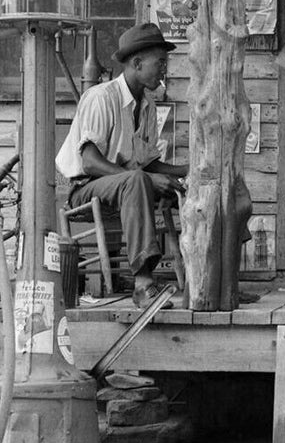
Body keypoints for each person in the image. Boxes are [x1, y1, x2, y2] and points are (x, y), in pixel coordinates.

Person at [56, 23, 189, 307]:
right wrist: (147, 179)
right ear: (137, 63)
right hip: (86, 188)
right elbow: (90, 163)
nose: (164, 69)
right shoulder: (102, 97)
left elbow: (149, 164)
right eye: (160, 63)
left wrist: (190, 171)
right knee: (138, 180)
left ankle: (217, 279)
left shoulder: (148, 105)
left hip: (127, 186)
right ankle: (143, 285)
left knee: (203, 183)